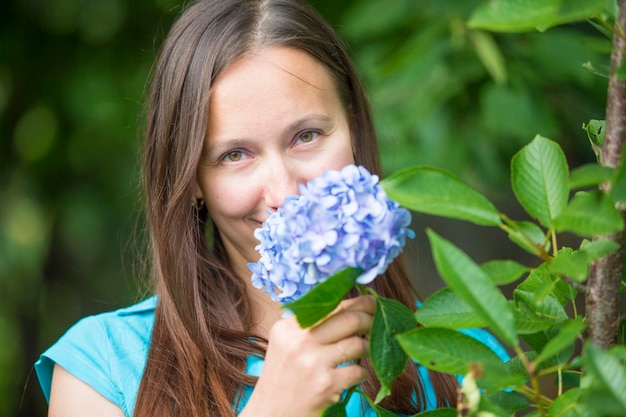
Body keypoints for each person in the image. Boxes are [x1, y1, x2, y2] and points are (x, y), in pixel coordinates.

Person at [35, 1, 509, 416]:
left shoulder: (464, 354)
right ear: (192, 181)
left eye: (307, 136)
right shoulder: (101, 369)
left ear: (355, 132)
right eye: (233, 155)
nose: (284, 194)